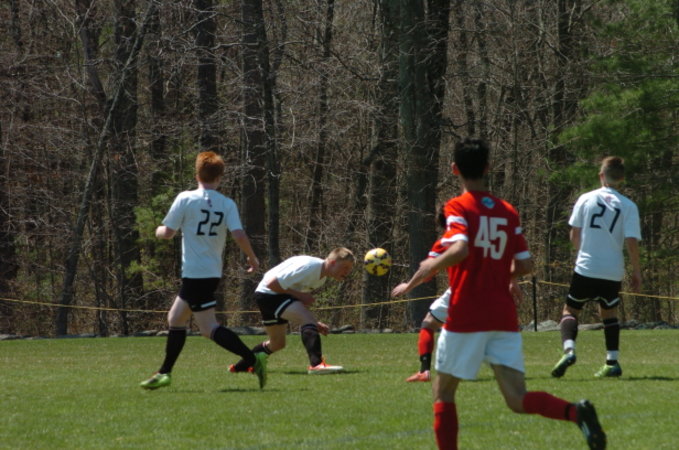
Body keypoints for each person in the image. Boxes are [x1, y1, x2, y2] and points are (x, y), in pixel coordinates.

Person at [407, 138, 606, 449]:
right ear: (488, 168)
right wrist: (503, 274)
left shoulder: (457, 206)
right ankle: (575, 412)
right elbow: (525, 264)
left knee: (443, 392)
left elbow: (460, 248)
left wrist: (430, 265)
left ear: (454, 169)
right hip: (502, 315)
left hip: (467, 313)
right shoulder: (507, 211)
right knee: (517, 398)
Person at [140, 151, 267, 390]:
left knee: (208, 328)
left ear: (197, 174)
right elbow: (238, 234)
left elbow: (167, 233)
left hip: (195, 273)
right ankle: (165, 372)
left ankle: (252, 358)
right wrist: (252, 257)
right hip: (211, 272)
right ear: (220, 177)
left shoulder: (186, 198)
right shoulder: (227, 203)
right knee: (177, 319)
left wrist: (157, 230)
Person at [551, 156, 641, 379]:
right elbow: (631, 241)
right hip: (612, 270)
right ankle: (612, 362)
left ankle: (569, 350)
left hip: (587, 266)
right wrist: (637, 271)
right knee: (609, 313)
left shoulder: (586, 198)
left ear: (601, 175)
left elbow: (574, 232)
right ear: (622, 179)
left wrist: (582, 252)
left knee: (570, 310)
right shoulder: (629, 206)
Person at [230, 248, 354, 374]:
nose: (347, 272)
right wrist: (308, 318)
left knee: (277, 343)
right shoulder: (311, 267)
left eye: (349, 269)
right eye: (345, 267)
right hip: (269, 294)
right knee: (307, 321)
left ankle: (240, 367)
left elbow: (295, 301)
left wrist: (313, 323)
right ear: (332, 262)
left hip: (267, 295)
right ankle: (317, 365)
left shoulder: (321, 277)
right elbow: (272, 284)